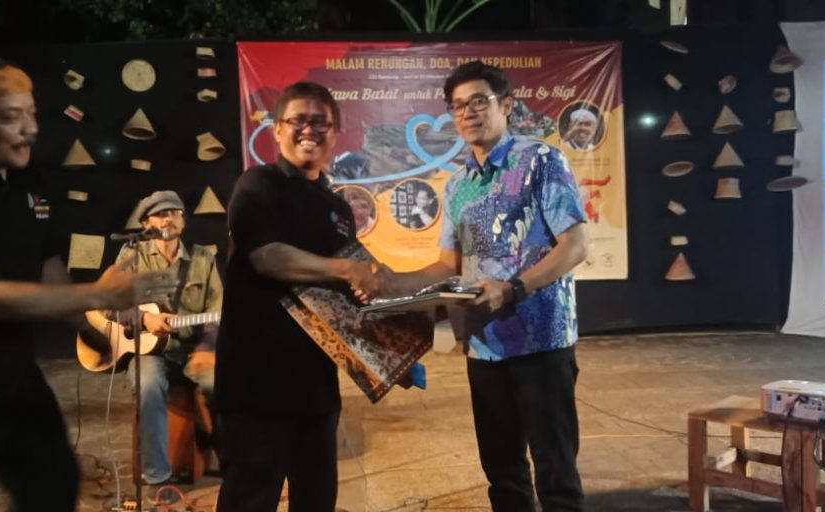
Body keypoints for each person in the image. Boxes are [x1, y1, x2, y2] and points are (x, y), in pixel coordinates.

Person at [0, 57, 176, 512]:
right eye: (10, 117)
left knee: (52, 484)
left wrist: (98, 328)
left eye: (30, 113)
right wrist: (101, 294)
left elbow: (50, 270)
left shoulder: (28, 179)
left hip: (13, 375)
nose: (30, 129)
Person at [375, 60, 590, 511]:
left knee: (556, 474)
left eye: (478, 101)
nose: (468, 113)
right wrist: (392, 283)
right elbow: (448, 265)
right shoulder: (457, 187)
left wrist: (512, 288)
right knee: (503, 473)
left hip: (542, 341)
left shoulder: (541, 160)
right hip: (484, 346)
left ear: (506, 105)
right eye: (458, 106)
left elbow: (574, 245)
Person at [214, 81, 382, 511]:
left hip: (317, 390)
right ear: (276, 129)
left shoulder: (339, 209)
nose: (309, 130)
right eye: (298, 120)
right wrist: (345, 269)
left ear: (335, 133)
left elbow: (351, 296)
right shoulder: (257, 185)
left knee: (317, 501)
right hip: (256, 388)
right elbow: (268, 257)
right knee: (250, 501)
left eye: (320, 122)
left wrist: (390, 349)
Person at [112, 190, 223, 485]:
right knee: (148, 385)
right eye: (160, 214)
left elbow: (216, 311)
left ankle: (227, 457)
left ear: (183, 223)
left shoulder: (203, 258)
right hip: (148, 351)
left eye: (175, 213)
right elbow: (111, 304)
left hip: (191, 348)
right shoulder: (131, 256)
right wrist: (145, 319)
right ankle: (157, 474)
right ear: (146, 223)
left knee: (219, 382)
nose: (168, 219)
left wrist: (206, 347)